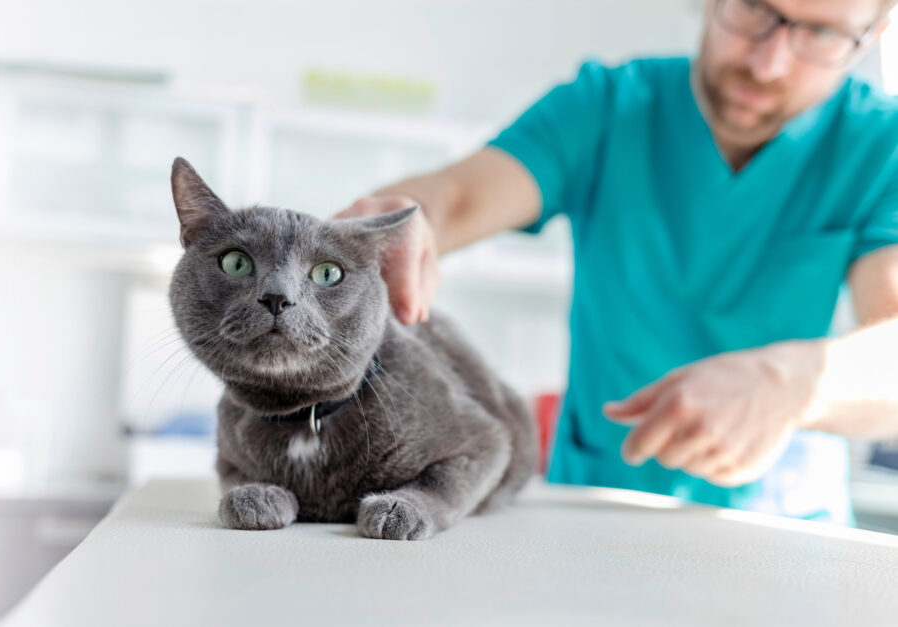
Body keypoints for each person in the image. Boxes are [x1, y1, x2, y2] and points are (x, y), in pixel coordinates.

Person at [336, 0, 898, 524]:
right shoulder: (607, 107)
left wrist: (793, 382)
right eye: (753, 7)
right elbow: (455, 198)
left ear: (875, 33)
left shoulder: (880, 147)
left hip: (786, 524)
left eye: (821, 33)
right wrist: (405, 216)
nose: (769, 63)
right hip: (597, 505)